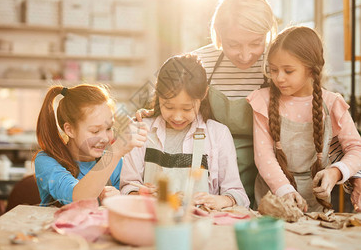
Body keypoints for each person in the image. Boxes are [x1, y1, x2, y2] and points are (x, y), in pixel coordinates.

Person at [247, 26, 361, 212]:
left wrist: (335, 172)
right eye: (274, 70)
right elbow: (264, 156)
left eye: (288, 71)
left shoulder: (332, 104)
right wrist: (284, 191)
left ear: (311, 69)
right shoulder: (263, 101)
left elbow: (357, 149)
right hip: (271, 201)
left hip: (317, 207)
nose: (279, 78)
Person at [121, 54, 250, 209]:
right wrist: (140, 194)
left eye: (187, 108)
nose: (177, 116)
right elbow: (127, 186)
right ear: (158, 95)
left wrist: (220, 200)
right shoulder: (142, 130)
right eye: (168, 107)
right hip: (153, 220)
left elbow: (238, 194)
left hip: (202, 225)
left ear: (203, 94)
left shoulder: (218, 134)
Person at [33, 84, 148, 206]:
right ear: (70, 130)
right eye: (95, 131)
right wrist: (116, 151)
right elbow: (78, 198)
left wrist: (119, 198)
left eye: (109, 128)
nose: (105, 138)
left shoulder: (117, 164)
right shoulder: (46, 161)